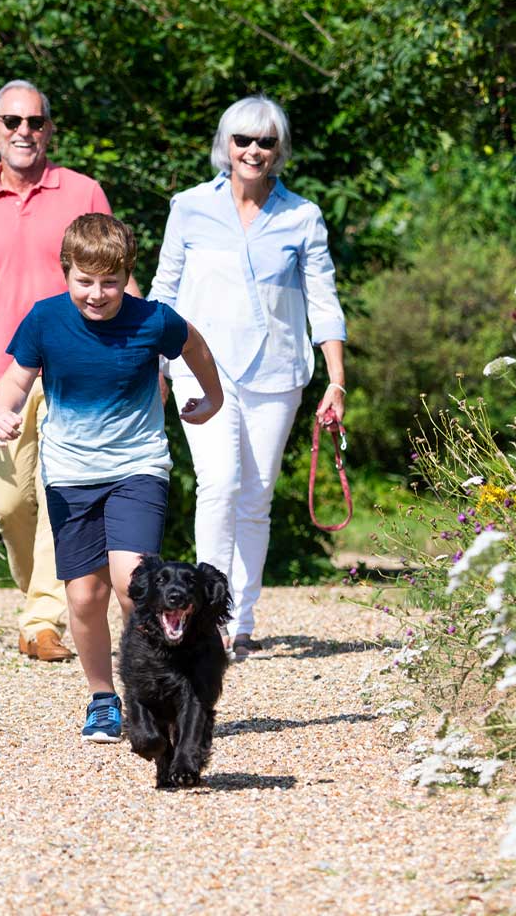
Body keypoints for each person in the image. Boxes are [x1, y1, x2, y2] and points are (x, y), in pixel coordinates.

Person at [0, 213, 223, 742]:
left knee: (131, 583)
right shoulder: (45, 320)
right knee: (84, 598)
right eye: (85, 282)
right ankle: (101, 698)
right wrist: (7, 412)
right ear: (66, 272)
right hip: (71, 475)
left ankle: (154, 691)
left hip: (138, 466)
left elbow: (197, 348)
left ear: (127, 276)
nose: (97, 294)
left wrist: (213, 397)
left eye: (111, 282)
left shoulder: (152, 320)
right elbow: (16, 379)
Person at [149, 95, 347, 662]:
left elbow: (324, 302)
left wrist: (335, 381)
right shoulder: (188, 208)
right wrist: (156, 364)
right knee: (218, 482)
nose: (253, 151)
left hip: (277, 373)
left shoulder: (301, 216)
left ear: (279, 149)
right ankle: (205, 619)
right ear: (225, 145)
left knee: (255, 498)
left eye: (265, 141)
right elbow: (164, 291)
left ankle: (242, 617)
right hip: (198, 365)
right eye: (242, 140)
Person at [0, 80, 132, 663]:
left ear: (49, 128)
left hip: (80, 367)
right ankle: (39, 601)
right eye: (11, 121)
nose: (24, 131)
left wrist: (143, 351)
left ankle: (42, 618)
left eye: (35, 122)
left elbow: (115, 275)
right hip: (4, 369)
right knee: (8, 500)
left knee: (61, 491)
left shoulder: (83, 190)